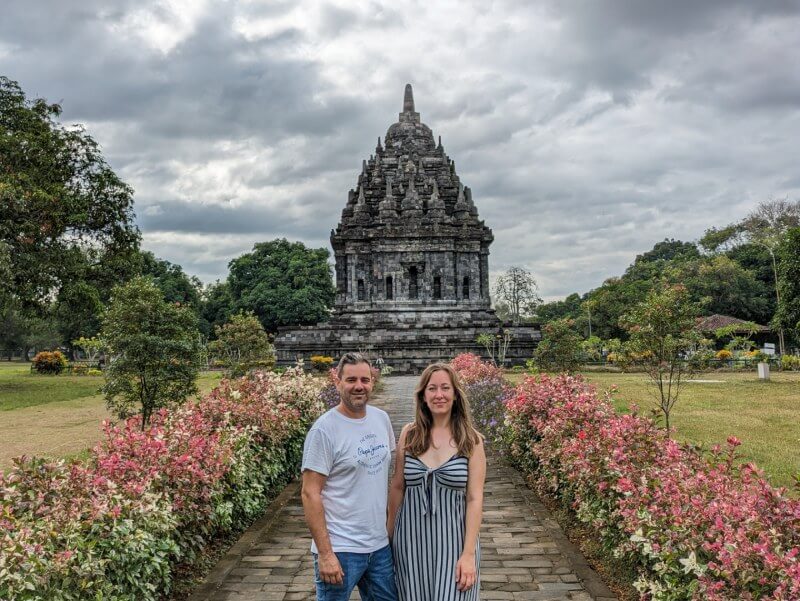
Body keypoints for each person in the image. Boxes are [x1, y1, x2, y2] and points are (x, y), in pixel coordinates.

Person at [301, 352, 399, 601]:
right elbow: (310, 493)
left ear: (372, 382)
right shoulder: (324, 430)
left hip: (378, 547)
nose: (359, 386)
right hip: (341, 549)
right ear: (338, 382)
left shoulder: (381, 419)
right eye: (351, 380)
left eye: (364, 380)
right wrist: (325, 554)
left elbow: (381, 479)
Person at [388, 363, 486, 600]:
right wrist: (387, 539)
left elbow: (474, 499)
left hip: (454, 543)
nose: (439, 395)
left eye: (445, 388)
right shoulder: (409, 434)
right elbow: (398, 487)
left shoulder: (471, 440)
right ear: (423, 395)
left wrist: (468, 554)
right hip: (410, 542)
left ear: (455, 394)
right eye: (432, 388)